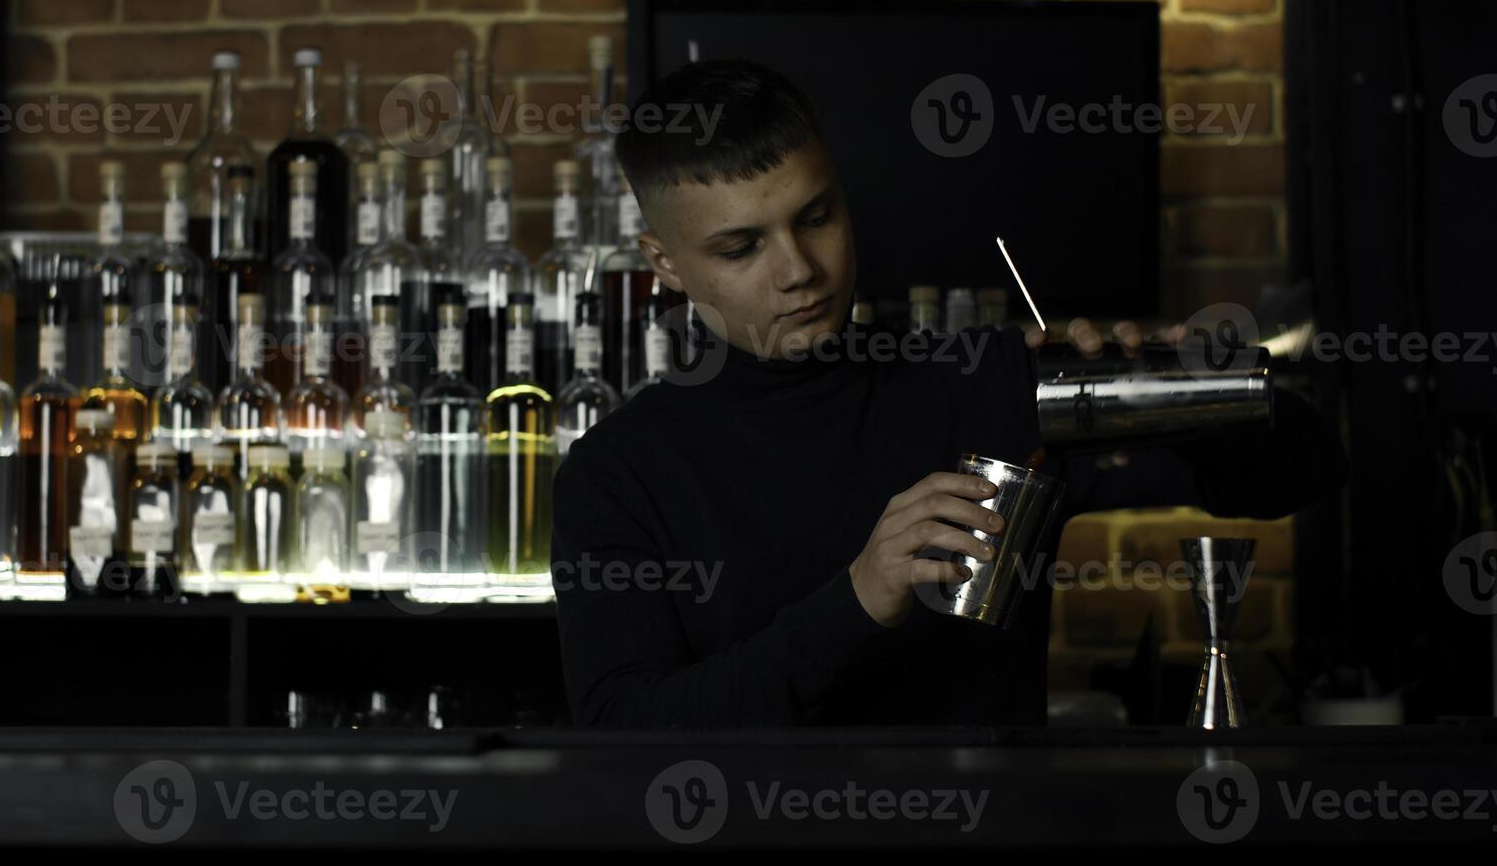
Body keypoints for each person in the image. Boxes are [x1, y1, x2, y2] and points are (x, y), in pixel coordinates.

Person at [550, 58, 1344, 729]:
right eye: (740, 247)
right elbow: (626, 727)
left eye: (816, 217)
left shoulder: (982, 384)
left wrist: (1186, 399)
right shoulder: (618, 473)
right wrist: (859, 599)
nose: (799, 269)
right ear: (664, 262)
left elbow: (1303, 470)